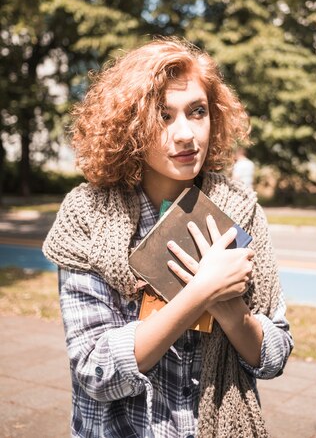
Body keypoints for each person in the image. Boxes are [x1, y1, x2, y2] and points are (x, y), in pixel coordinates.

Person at [43, 37, 293, 438]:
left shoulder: (240, 210)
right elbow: (94, 370)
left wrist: (231, 310)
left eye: (197, 112)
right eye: (163, 116)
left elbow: (275, 354)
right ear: (130, 125)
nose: (185, 134)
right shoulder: (86, 215)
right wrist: (200, 293)